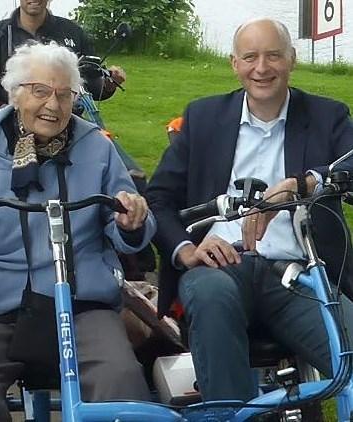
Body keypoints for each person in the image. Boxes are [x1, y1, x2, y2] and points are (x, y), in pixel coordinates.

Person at [0, 41, 154, 421]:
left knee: (123, 382)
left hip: (82, 302)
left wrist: (132, 222)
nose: (54, 105)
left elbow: (130, 229)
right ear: (15, 94)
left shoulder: (95, 145)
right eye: (41, 91)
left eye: (65, 95)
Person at [146, 18, 353, 402]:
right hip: (220, 267)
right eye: (250, 57)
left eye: (273, 55)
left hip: (300, 273)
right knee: (210, 300)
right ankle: (231, 411)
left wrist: (300, 184)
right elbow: (158, 199)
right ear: (234, 64)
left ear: (292, 59)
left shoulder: (328, 116)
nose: (262, 68)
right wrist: (187, 250)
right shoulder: (203, 117)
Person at [0, 0, 126, 114]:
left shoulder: (73, 32)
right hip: (10, 120)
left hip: (63, 119)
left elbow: (89, 83)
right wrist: (3, 110)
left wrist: (108, 85)